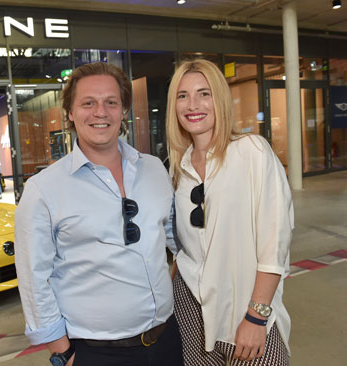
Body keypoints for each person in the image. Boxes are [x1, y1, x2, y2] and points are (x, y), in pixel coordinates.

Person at [15, 62, 183, 366]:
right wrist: (60, 350)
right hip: (96, 353)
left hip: (167, 340)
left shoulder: (154, 169)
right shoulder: (43, 189)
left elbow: (178, 242)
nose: (100, 112)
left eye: (111, 102)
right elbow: (32, 278)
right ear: (70, 112)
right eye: (88, 103)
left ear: (124, 111)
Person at [166, 59, 293, 365]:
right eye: (182, 96)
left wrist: (257, 316)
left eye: (203, 93)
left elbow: (274, 242)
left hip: (245, 309)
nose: (192, 104)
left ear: (220, 100)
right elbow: (181, 245)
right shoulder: (177, 168)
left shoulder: (251, 151)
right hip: (190, 307)